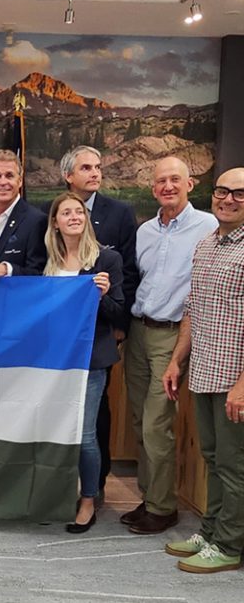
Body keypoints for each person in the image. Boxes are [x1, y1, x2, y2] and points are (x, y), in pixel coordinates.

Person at [122, 156, 217, 535]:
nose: (168, 186)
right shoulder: (145, 231)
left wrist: (182, 348)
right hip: (138, 330)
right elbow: (137, 279)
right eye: (161, 181)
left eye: (175, 179)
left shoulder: (208, 226)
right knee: (138, 420)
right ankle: (150, 496)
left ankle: (163, 508)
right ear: (153, 189)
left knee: (156, 423)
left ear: (190, 184)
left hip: (173, 335)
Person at [161, 167, 244, 573]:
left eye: (239, 194)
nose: (228, 199)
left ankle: (230, 544)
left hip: (235, 380)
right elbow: (193, 308)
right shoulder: (207, 244)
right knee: (213, 458)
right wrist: (177, 359)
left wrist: (243, 385)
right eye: (222, 191)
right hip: (205, 370)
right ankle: (210, 531)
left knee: (234, 465)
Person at [58, 145, 139, 502]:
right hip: (56, 350)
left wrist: (121, 324)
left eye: (98, 167)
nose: (94, 173)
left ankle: (95, 488)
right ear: (68, 176)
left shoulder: (119, 215)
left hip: (97, 342)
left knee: (93, 420)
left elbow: (129, 274)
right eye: (86, 167)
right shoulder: (50, 240)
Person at [43, 192, 124, 534]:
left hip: (90, 360)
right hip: (52, 361)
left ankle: (88, 499)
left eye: (79, 212)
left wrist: (103, 295)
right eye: (66, 212)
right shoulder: (47, 261)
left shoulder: (106, 259)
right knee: (53, 431)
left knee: (86, 434)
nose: (74, 217)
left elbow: (118, 313)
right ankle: (56, 495)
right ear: (55, 222)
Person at [0, 149, 47, 281]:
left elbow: (38, 273)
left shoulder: (36, 221)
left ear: (20, 181)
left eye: (9, 176)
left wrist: (7, 269)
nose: (3, 182)